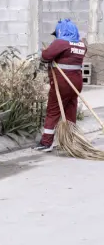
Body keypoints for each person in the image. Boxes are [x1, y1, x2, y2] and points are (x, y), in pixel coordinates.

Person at [35, 19, 86, 151]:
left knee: (53, 110)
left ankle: (46, 142)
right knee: (70, 108)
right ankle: (70, 140)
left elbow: (46, 56)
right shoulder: (81, 44)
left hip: (62, 82)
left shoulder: (60, 43)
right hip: (77, 81)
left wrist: (45, 51)